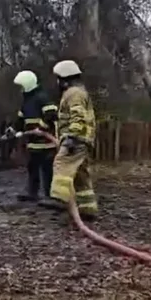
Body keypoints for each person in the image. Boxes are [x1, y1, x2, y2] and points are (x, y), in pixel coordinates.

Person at [39, 59, 99, 220]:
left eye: (58, 78)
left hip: (76, 139)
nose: (57, 82)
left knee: (61, 164)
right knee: (81, 176)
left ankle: (59, 198)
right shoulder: (77, 92)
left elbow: (78, 116)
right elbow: (69, 117)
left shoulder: (73, 93)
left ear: (65, 79)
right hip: (83, 139)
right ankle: (88, 209)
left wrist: (72, 137)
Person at [2, 70, 58, 202]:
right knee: (32, 168)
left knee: (47, 170)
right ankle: (33, 193)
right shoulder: (26, 102)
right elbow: (20, 121)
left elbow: (51, 115)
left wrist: (42, 128)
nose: (20, 89)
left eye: (21, 86)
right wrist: (12, 130)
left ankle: (50, 196)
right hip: (33, 144)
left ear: (27, 84)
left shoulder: (42, 98)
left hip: (46, 143)